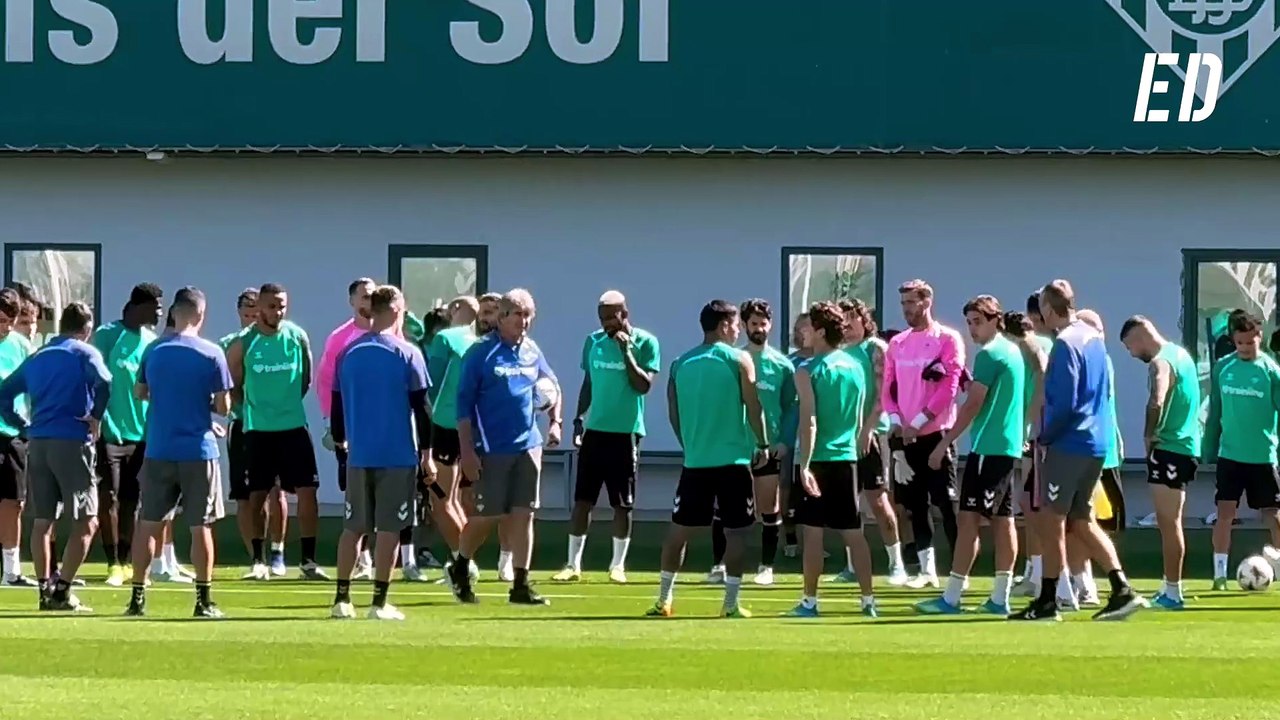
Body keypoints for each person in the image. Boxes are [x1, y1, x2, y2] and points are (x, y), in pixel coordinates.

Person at [1011, 280, 1143, 622]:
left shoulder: (1065, 344)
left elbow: (1065, 402)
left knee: (1051, 521)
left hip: (1069, 443)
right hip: (1096, 443)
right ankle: (1121, 588)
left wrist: (1042, 436)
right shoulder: (1093, 338)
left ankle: (1047, 601)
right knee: (1080, 518)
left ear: (1049, 310)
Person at [646, 300, 767, 618]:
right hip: (734, 462)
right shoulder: (740, 359)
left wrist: (689, 444)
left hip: (696, 462)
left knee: (679, 531)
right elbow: (754, 407)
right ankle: (730, 604)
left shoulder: (680, 363)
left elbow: (674, 413)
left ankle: (664, 599)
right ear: (725, 325)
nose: (739, 330)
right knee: (738, 532)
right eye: (736, 324)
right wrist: (764, 443)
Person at [447, 289, 561, 605]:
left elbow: (552, 386)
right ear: (502, 317)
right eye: (517, 315)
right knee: (487, 517)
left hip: (528, 446)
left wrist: (555, 421)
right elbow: (463, 406)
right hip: (491, 449)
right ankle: (460, 565)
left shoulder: (532, 351)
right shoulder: (481, 353)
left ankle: (521, 585)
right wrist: (467, 451)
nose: (523, 322)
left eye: (528, 316)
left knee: (523, 515)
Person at [125, 288, 231, 619]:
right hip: (198, 450)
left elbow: (140, 391)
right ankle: (203, 600)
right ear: (201, 314)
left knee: (149, 523)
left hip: (159, 447)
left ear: (173, 313)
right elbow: (224, 406)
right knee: (201, 525)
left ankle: (137, 599)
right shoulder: (212, 353)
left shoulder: (154, 350)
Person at [915, 296, 1024, 615]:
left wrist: (943, 442)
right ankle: (997, 597)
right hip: (1001, 447)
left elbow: (973, 404)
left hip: (990, 449)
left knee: (971, 521)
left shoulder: (991, 354)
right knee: (1000, 521)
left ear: (995, 320)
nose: (973, 329)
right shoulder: (1011, 352)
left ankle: (953, 597)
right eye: (969, 322)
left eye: (978, 321)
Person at [330, 285, 433, 621]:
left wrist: (343, 447)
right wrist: (427, 456)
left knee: (353, 527)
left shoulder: (348, 353)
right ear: (397, 309)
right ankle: (379, 603)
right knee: (389, 529)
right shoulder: (407, 353)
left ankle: (341, 600)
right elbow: (423, 409)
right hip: (396, 456)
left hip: (360, 456)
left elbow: (336, 408)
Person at [0, 302, 111, 612]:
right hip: (72, 441)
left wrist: (23, 424)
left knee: (42, 520)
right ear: (86, 329)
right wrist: (96, 417)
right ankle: (61, 590)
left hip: (39, 443)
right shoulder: (84, 352)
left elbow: (4, 393)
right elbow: (106, 381)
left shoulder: (38, 355)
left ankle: (43, 589)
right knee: (87, 520)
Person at [557, 291, 660, 584]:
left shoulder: (646, 343)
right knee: (582, 500)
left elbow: (643, 386)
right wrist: (578, 420)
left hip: (626, 433)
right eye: (601, 319)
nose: (605, 325)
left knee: (622, 503)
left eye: (610, 318)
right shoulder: (593, 342)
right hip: (595, 432)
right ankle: (573, 564)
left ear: (624, 315)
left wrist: (626, 352)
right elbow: (587, 383)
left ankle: (617, 565)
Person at [225, 283, 327, 580]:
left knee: (308, 491)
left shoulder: (297, 336)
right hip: (257, 430)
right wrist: (259, 408)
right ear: (260, 309)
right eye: (271, 306)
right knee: (257, 495)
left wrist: (286, 404)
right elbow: (234, 386)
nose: (277, 312)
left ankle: (308, 561)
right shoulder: (244, 343)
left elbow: (306, 378)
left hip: (294, 427)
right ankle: (258, 561)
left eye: (281, 306)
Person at [786, 301, 878, 618]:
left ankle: (810, 602)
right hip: (848, 458)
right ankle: (868, 602)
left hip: (821, 459)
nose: (803, 332)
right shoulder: (856, 366)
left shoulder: (807, 369)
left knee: (813, 532)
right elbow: (859, 412)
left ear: (821, 331)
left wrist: (806, 465)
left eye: (808, 327)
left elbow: (808, 421)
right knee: (853, 532)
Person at [881, 279, 965, 589]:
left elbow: (949, 387)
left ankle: (960, 570)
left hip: (936, 435)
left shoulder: (948, 338)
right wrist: (895, 420)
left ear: (926, 302)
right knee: (914, 504)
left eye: (911, 303)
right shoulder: (897, 343)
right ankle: (927, 570)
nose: (906, 310)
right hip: (905, 436)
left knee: (945, 502)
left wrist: (917, 421)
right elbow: (888, 388)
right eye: (903, 304)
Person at [1119, 315, 1201, 609]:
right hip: (1186, 447)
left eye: (1130, 347)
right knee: (1171, 522)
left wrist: (1148, 434)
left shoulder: (1160, 362)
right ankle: (1171, 587)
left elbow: (1157, 398)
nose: (1131, 354)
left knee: (1169, 523)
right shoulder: (1183, 355)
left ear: (1141, 337)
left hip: (1169, 448)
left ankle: (1172, 591)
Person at [91, 284, 163, 587]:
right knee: (109, 497)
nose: (160, 312)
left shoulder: (151, 341)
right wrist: (106, 423)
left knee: (133, 500)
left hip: (142, 434)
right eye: (155, 306)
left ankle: (129, 559)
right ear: (138, 305)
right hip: (109, 433)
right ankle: (113, 563)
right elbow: (96, 383)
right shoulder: (107, 335)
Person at [1203, 309, 1280, 589]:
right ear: (1234, 341)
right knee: (1225, 513)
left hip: (1262, 456)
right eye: (1240, 343)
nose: (1246, 348)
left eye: (1251, 342)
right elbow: (1215, 413)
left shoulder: (1271, 371)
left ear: (1260, 338)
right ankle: (1220, 574)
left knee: (1273, 514)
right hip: (1230, 455)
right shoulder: (1223, 368)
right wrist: (1207, 447)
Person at [835, 299, 909, 585]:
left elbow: (883, 394)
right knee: (847, 504)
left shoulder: (876, 348)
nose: (849, 325)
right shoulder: (839, 353)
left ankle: (897, 564)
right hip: (844, 439)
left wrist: (867, 429)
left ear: (865, 321)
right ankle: (853, 565)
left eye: (853, 318)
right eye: (844, 320)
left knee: (878, 500)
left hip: (874, 433)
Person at [316, 278, 384, 581]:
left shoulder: (387, 334)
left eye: (373, 296)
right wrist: (333, 424)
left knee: (383, 490)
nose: (368, 301)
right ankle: (362, 556)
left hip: (383, 428)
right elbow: (326, 383)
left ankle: (385, 556)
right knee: (355, 492)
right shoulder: (339, 338)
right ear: (352, 301)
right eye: (364, 296)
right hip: (351, 430)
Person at [218, 288, 274, 578]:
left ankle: (275, 553)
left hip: (273, 426)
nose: (253, 312)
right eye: (247, 308)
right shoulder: (229, 343)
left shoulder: (276, 340)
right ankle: (255, 557)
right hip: (242, 425)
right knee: (244, 495)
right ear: (239, 311)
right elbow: (224, 387)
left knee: (273, 492)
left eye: (257, 307)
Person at [425, 296, 480, 586]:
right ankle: (462, 560)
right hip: (465, 426)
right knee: (454, 499)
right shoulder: (478, 341)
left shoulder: (445, 338)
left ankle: (463, 564)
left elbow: (431, 384)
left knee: (440, 501)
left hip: (443, 425)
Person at [1010, 295, 1056, 599]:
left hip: (1036, 435)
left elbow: (1040, 379)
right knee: (1030, 504)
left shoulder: (1036, 345)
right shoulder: (1045, 343)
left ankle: (1040, 575)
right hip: (1035, 433)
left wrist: (1027, 425)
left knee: (1032, 505)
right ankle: (1035, 571)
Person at [473, 291, 517, 581]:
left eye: (493, 312)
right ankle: (465, 560)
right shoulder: (475, 351)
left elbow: (547, 384)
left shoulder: (520, 350)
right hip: (473, 440)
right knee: (476, 506)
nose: (488, 317)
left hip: (507, 443)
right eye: (484, 312)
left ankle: (507, 560)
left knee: (510, 508)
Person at [0, 289, 36, 587]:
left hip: (14, 435)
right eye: (0, 320)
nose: (6, 327)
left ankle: (12, 571)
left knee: (14, 502)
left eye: (10, 320)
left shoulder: (22, 346)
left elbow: (34, 389)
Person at [780, 312, 812, 558]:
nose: (806, 332)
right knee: (787, 486)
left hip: (816, 435)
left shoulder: (825, 361)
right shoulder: (788, 364)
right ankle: (789, 537)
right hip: (791, 435)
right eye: (801, 328)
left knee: (811, 487)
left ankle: (813, 540)